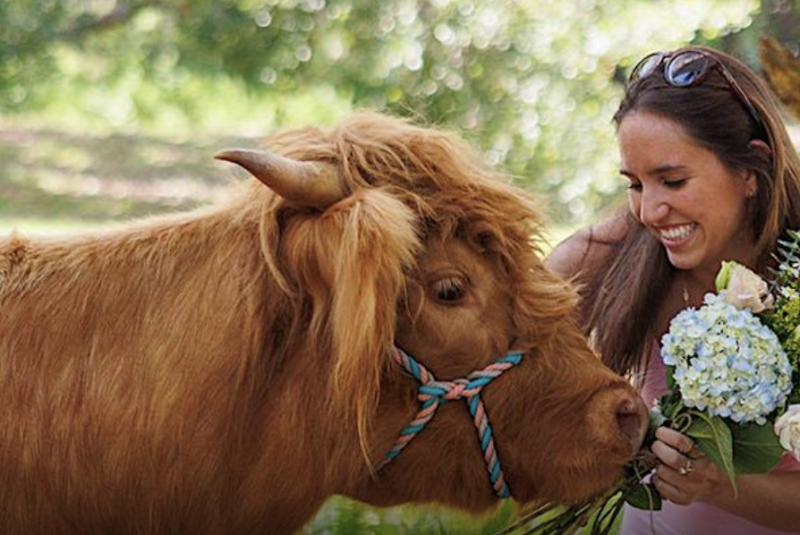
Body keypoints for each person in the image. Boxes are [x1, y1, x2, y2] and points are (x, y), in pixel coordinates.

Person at [546, 45, 800, 534]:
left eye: (673, 180)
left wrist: (718, 484)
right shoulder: (609, 258)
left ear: (750, 170)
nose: (649, 211)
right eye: (636, 185)